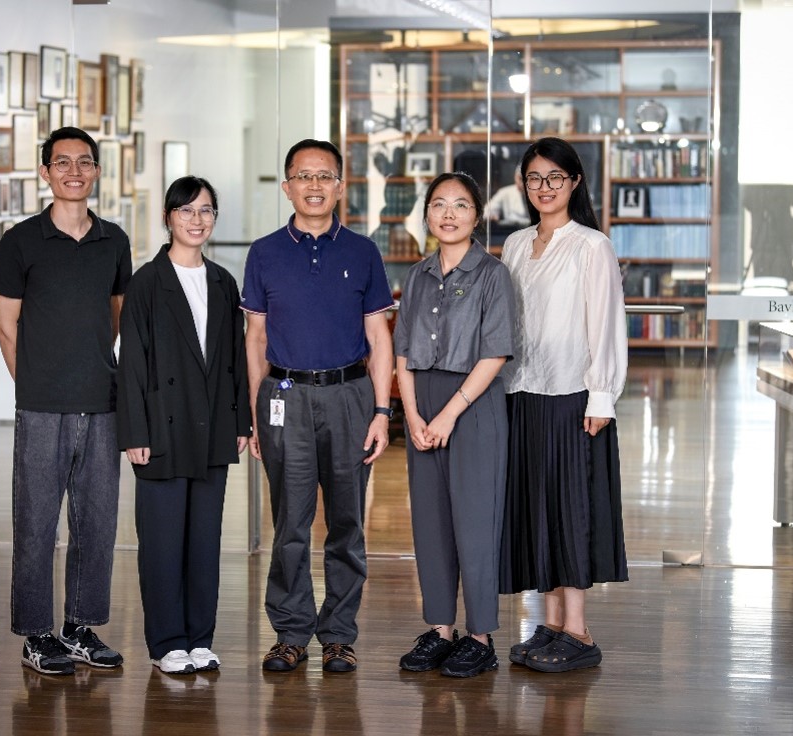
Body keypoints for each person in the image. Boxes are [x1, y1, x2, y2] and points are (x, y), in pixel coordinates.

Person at [242, 138, 395, 674]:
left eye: (323, 176)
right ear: (287, 186)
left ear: (339, 187)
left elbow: (379, 336)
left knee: (348, 523)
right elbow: (255, 338)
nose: (313, 185)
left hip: (351, 397)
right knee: (290, 523)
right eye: (303, 176)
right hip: (284, 396)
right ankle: (289, 632)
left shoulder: (363, 251)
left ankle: (338, 635)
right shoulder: (263, 253)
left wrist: (382, 411)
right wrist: (255, 413)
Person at [0, 126, 131, 676]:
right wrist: (37, 384)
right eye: (62, 163)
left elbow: (116, 316)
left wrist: (88, 365)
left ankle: (79, 626)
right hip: (42, 405)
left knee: (97, 522)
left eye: (85, 162)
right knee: (37, 523)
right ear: (44, 172)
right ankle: (36, 633)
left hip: (102, 400)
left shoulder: (114, 241)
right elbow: (6, 326)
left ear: (96, 172)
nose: (74, 171)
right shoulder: (21, 241)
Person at [498, 136, 628, 673]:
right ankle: (550, 623)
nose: (544, 187)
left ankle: (577, 628)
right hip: (521, 392)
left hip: (574, 394)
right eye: (534, 178)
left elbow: (606, 323)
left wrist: (602, 393)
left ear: (574, 182)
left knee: (571, 508)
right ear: (523, 186)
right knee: (536, 506)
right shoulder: (513, 244)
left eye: (555, 177)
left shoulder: (590, 245)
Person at [116, 176, 251, 675]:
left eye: (207, 211)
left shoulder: (223, 280)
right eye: (187, 210)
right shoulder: (147, 282)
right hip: (160, 430)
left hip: (213, 426)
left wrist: (241, 420)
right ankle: (167, 640)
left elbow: (235, 358)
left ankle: (199, 637)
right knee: (162, 541)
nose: (197, 220)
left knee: (204, 540)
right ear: (169, 217)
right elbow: (132, 361)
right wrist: (134, 433)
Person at [393, 172, 517, 678]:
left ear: (477, 215)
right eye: (439, 205)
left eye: (460, 205)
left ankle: (480, 636)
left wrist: (447, 414)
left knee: (475, 523)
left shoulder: (493, 274)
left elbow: (496, 353)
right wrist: (414, 416)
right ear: (426, 215)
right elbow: (401, 352)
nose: (448, 214)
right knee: (431, 525)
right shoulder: (419, 275)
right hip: (422, 406)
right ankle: (441, 630)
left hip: (474, 404)